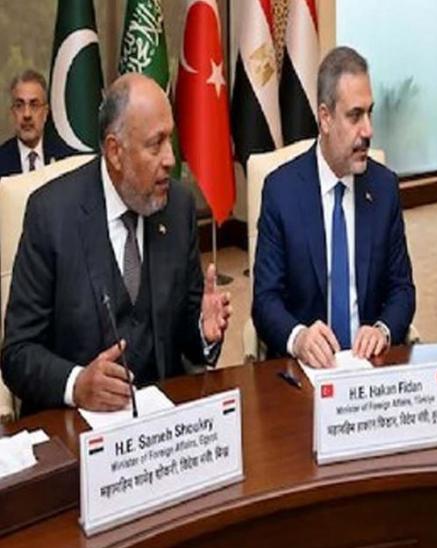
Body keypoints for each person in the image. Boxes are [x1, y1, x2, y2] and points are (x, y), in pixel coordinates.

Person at [1, 73, 231, 415]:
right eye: (155, 144)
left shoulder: (178, 207)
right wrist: (76, 384)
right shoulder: (50, 215)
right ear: (115, 151)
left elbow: (187, 339)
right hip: (76, 424)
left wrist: (204, 332)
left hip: (159, 421)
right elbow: (18, 353)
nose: (170, 159)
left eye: (170, 140)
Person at [252, 46, 415, 369]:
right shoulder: (281, 191)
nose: (368, 130)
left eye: (370, 113)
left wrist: (382, 330)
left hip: (368, 369)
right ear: (325, 118)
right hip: (306, 372)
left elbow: (402, 290)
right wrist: (298, 337)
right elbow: (265, 299)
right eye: (355, 116)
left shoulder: (384, 189)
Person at [0, 70, 68, 178]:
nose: (27, 114)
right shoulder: (2, 159)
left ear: (45, 112)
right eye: (19, 105)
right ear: (12, 113)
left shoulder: (65, 159)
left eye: (34, 105)